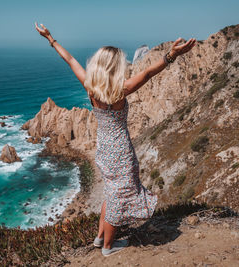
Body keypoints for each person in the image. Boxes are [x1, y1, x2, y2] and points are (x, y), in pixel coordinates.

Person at [35, 22, 196, 256]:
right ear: (115, 68)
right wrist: (171, 55)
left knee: (112, 193)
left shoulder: (90, 87)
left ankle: (100, 238)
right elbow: (149, 73)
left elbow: (69, 60)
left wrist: (50, 38)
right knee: (119, 199)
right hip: (120, 151)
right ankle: (109, 247)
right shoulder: (121, 90)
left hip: (103, 149)